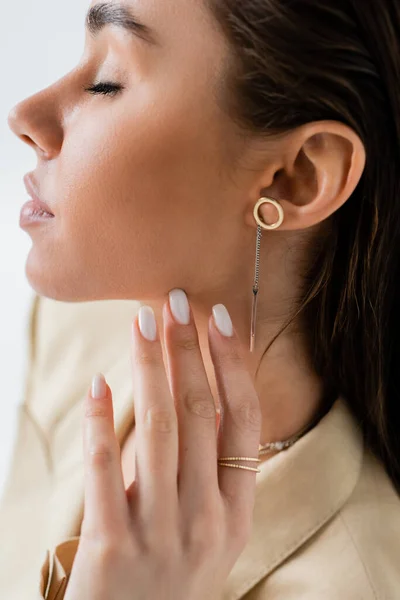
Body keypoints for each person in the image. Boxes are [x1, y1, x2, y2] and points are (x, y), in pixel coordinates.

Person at [2, 0, 400, 597]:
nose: (25, 115)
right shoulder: (77, 334)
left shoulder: (354, 582)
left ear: (296, 177)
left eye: (107, 82)